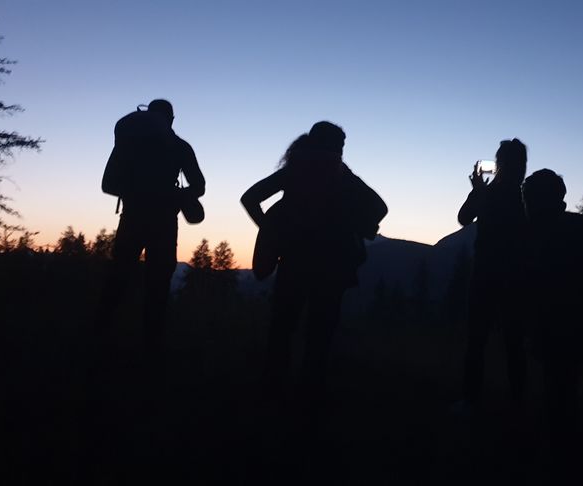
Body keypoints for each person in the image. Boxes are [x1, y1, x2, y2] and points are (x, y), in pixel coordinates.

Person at [241, 121, 387, 410]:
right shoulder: (340, 173)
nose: (342, 152)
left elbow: (250, 197)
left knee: (282, 327)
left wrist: (272, 229)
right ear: (333, 146)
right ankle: (310, 394)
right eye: (341, 146)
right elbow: (380, 207)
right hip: (332, 264)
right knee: (320, 331)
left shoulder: (295, 170)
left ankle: (271, 389)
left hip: (294, 259)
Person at [97, 99, 205, 354]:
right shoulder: (180, 147)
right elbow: (199, 185)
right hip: (165, 224)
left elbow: (107, 184)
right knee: (158, 286)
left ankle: (98, 337)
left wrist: (137, 193)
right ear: (171, 119)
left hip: (131, 219)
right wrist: (174, 196)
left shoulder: (128, 145)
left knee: (118, 280)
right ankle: (152, 348)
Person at [520, 169, 583, 478]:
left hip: (555, 321)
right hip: (578, 322)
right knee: (563, 385)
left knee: (557, 388)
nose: (525, 202)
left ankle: (561, 454)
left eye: (528, 196)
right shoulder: (582, 225)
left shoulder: (535, 231)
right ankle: (565, 448)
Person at [455, 138, 529, 412]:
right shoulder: (526, 194)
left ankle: (471, 400)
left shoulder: (502, 194)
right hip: (515, 274)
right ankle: (517, 403)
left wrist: (477, 193)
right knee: (513, 342)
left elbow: (464, 218)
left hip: (488, 272)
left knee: (478, 339)